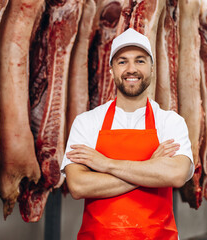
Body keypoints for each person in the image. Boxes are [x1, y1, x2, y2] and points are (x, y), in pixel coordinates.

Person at [61, 28, 194, 239]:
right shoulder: (87, 122)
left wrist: (105, 164)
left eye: (140, 61)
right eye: (122, 61)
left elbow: (176, 175)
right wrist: (151, 167)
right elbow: (78, 186)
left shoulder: (171, 122)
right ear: (112, 69)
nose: (131, 69)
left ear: (152, 67)